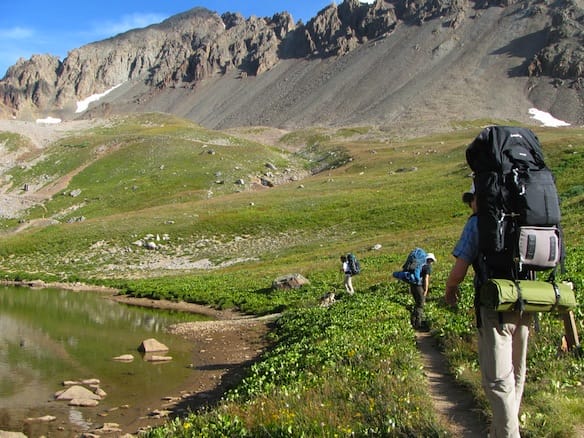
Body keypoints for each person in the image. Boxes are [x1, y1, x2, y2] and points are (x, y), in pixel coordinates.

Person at [445, 184, 532, 438]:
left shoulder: (478, 223)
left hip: (495, 306)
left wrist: (450, 290)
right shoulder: (523, 217)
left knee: (496, 381)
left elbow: (459, 270)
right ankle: (502, 430)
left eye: (471, 200)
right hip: (527, 301)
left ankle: (508, 435)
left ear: (478, 199)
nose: (469, 205)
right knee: (516, 373)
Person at [410, 252, 436, 329]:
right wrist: (426, 289)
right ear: (430, 260)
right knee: (421, 304)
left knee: (417, 303)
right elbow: (426, 278)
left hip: (412, 285)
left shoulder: (419, 264)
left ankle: (413, 321)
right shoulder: (427, 267)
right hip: (419, 286)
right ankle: (418, 324)